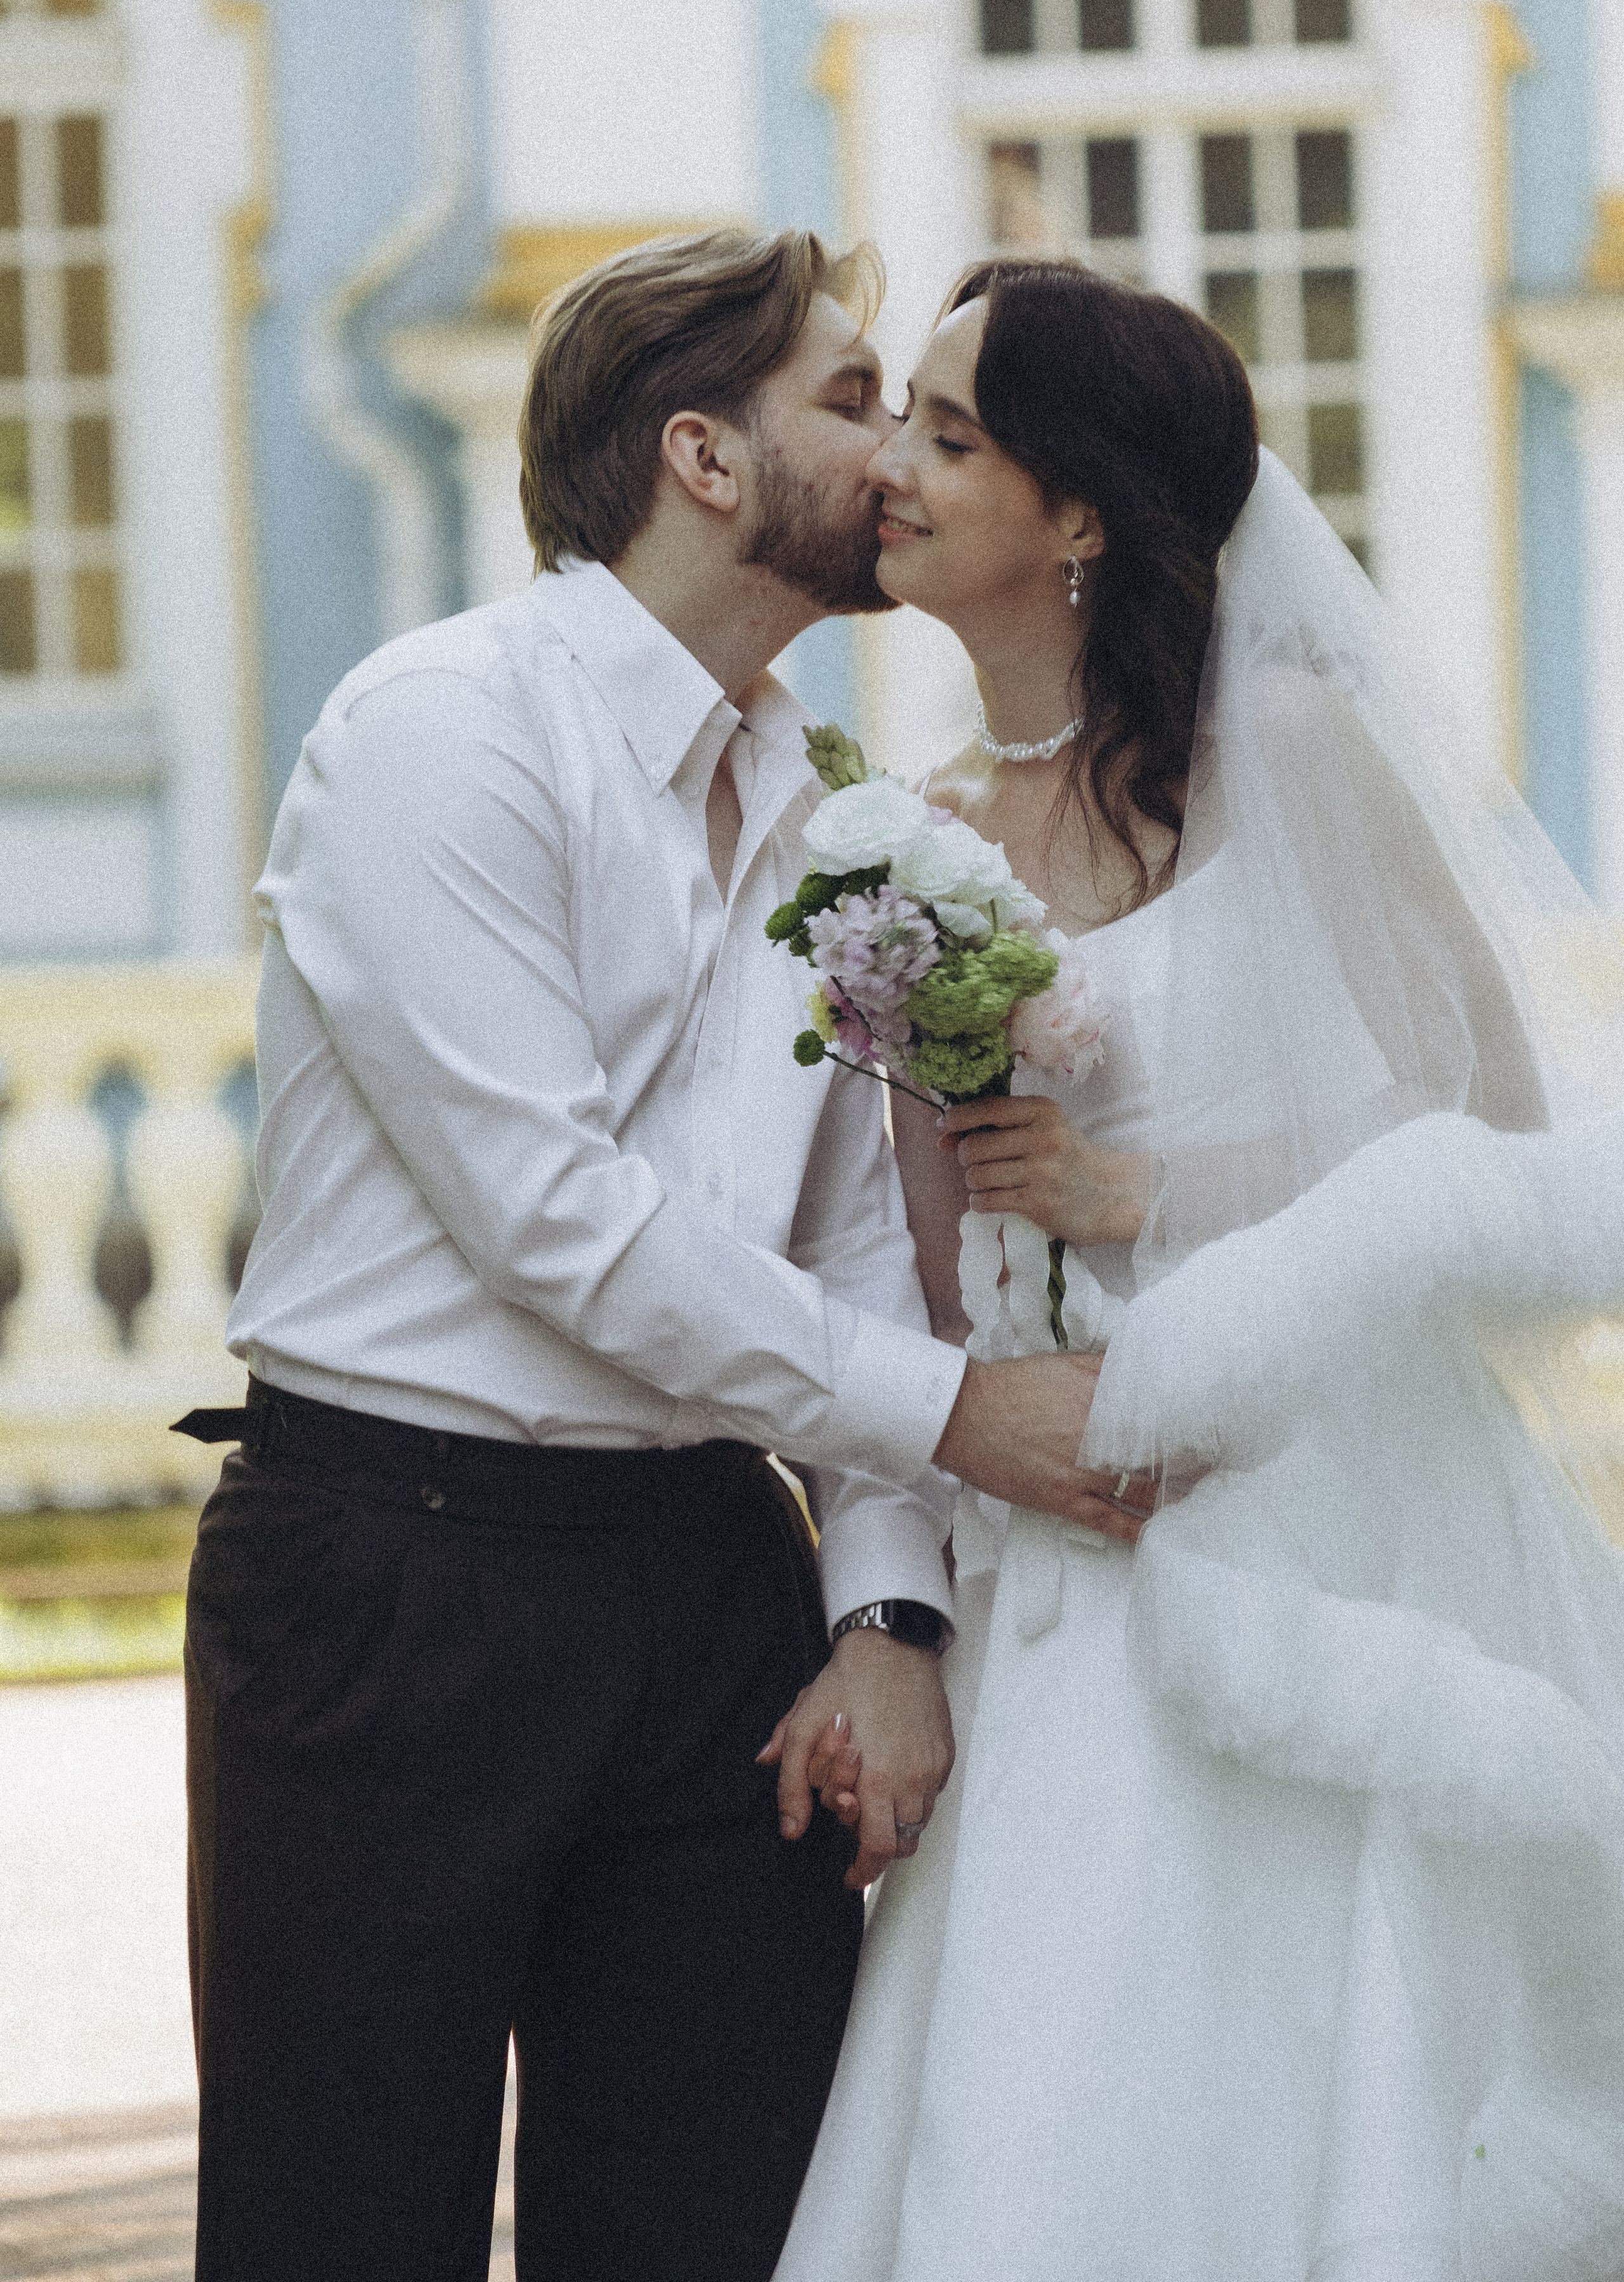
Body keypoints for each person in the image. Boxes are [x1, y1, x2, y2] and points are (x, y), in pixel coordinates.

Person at [179, 230, 1103, 2282]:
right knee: (341, 2229)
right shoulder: (439, 734)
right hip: (393, 1582)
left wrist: (888, 1609)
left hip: (713, 1599)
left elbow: (859, 1227)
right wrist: (972, 1420)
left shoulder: (819, 797)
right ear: (700, 453)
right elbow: (560, 1223)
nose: (897, 456)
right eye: (853, 401)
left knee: (717, 2230)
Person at [774, 259, 1624, 2281]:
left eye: (954, 437)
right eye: (908, 422)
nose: (896, 467)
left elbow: (1485, 1120)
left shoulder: (1297, 750)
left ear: (1080, 516)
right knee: (1041, 2078)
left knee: (1321, 2058)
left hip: (1305, 1510)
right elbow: (915, 1258)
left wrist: (1137, 1193)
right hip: (1055, 1538)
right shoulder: (904, 841)